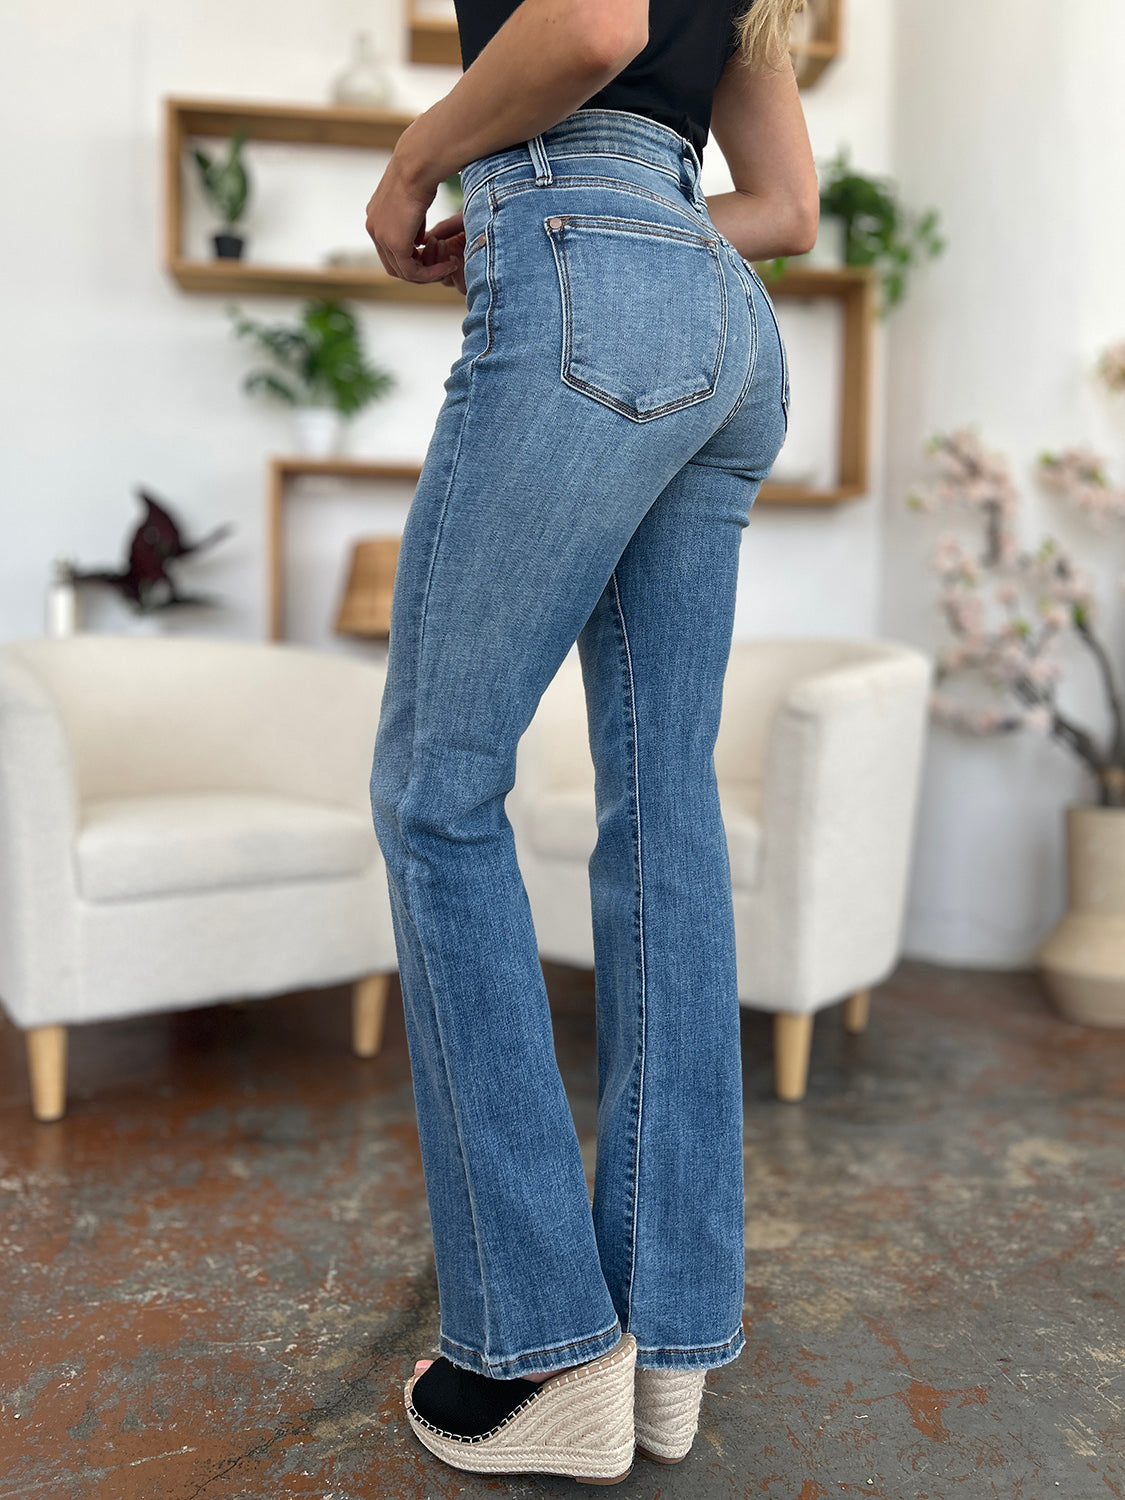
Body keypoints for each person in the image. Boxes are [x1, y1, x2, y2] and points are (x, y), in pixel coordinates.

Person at [364, 0, 818, 1483]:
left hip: (587, 272)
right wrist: (635, 232)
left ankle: (542, 1347)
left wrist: (413, 166)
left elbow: (582, 24)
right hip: (724, 320)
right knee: (664, 812)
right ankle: (666, 1340)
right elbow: (786, 210)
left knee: (436, 795)